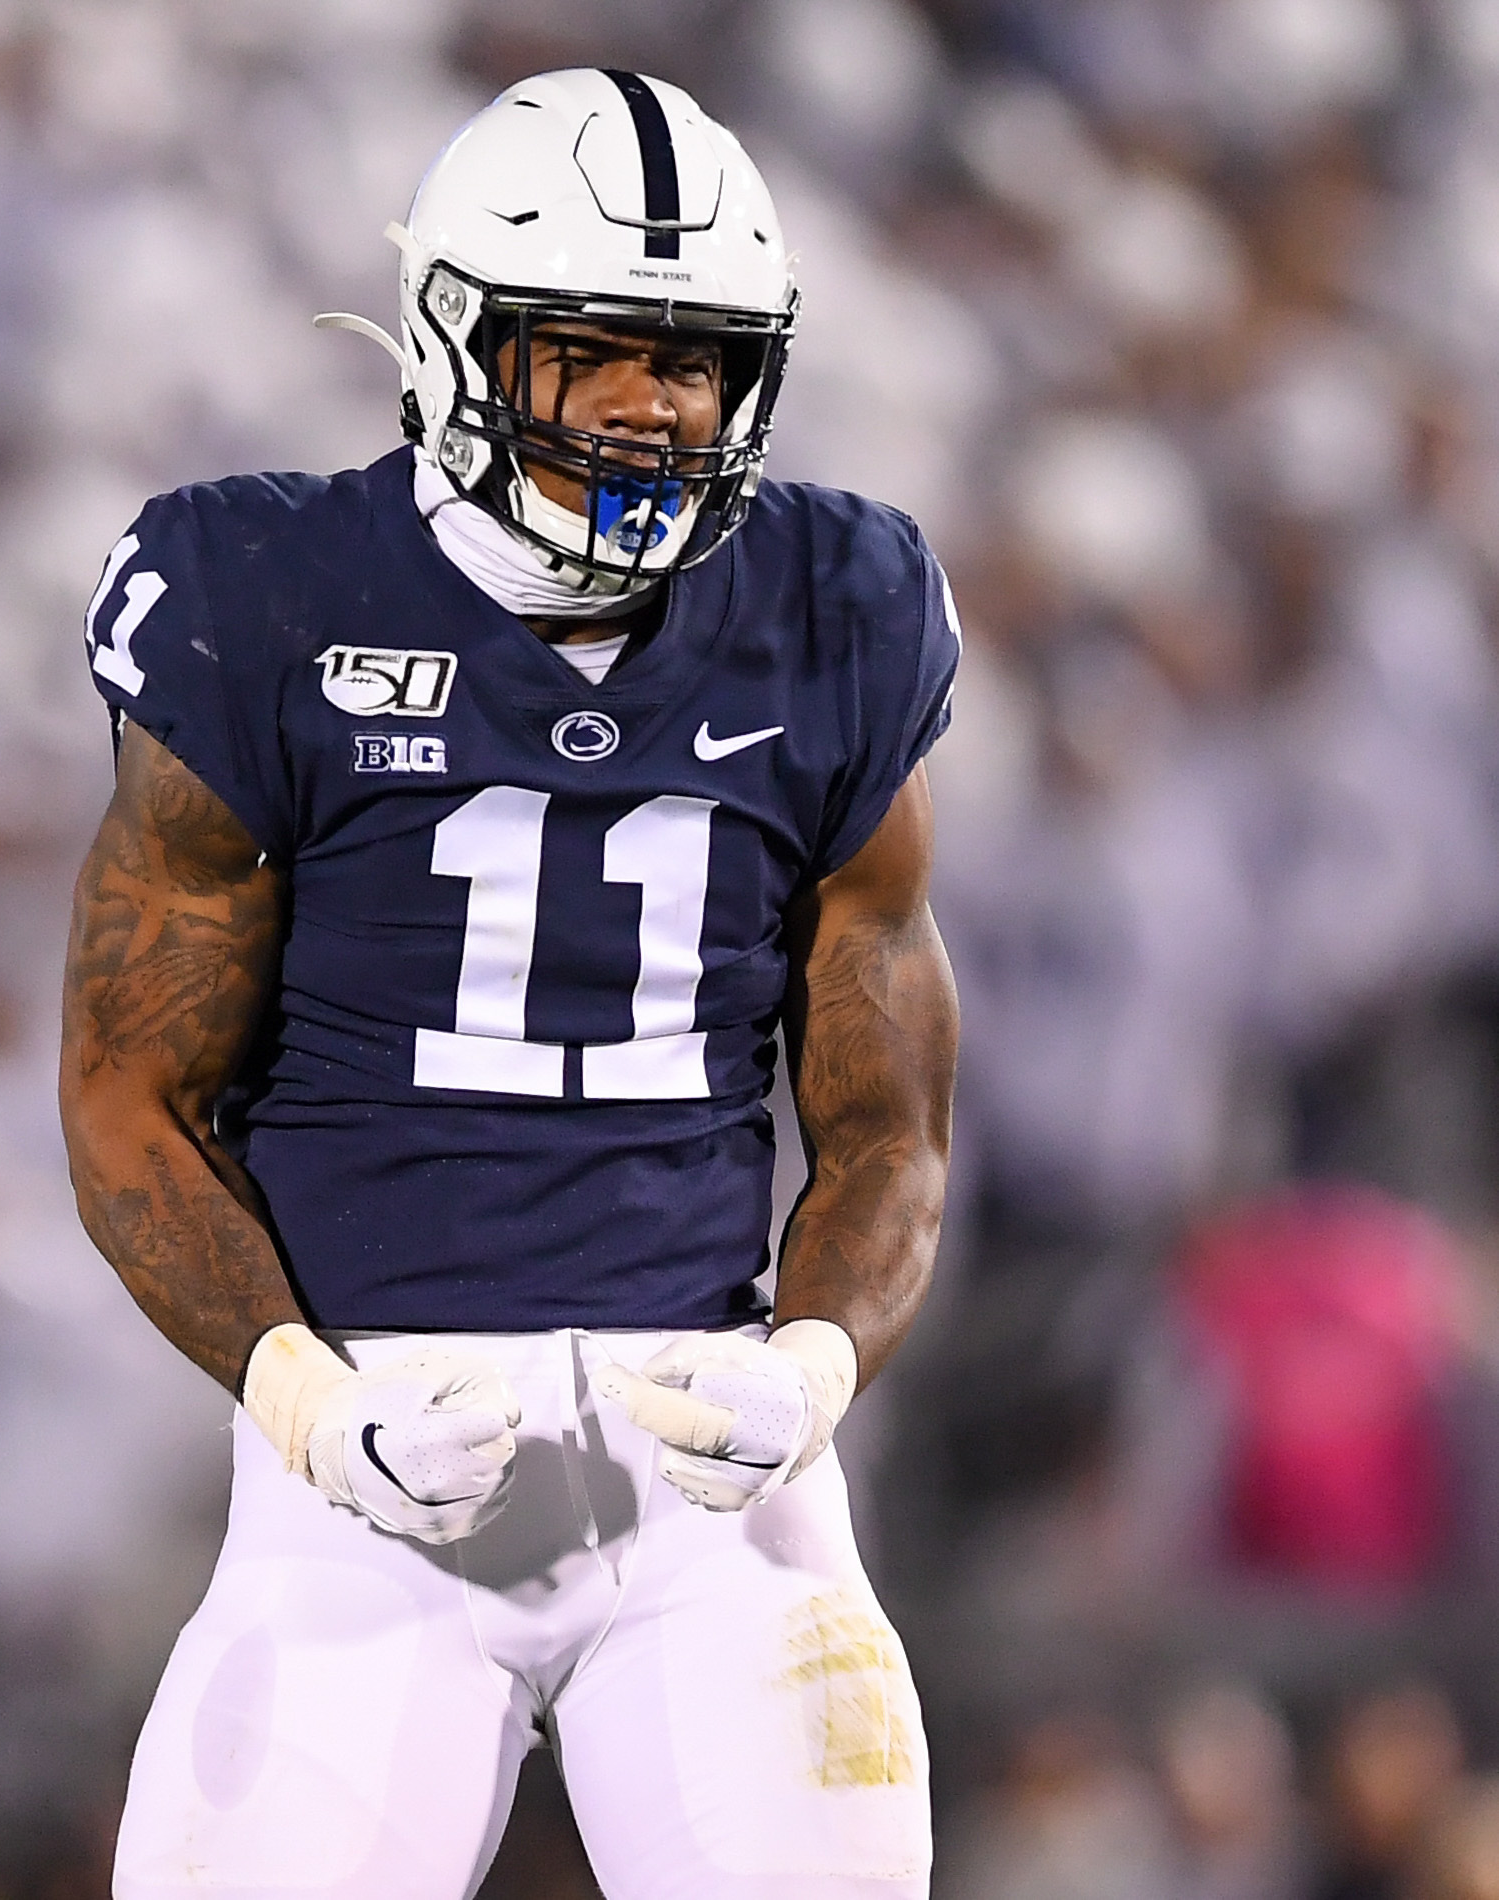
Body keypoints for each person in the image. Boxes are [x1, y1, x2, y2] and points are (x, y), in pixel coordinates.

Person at [60, 70, 958, 1900]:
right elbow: (123, 1099)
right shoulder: (262, 589)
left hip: (710, 1474)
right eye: (593, 349)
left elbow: (893, 1124)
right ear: (458, 344)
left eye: (694, 360)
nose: (652, 403)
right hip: (367, 1475)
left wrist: (815, 1362)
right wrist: (308, 1403)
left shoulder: (839, 602)